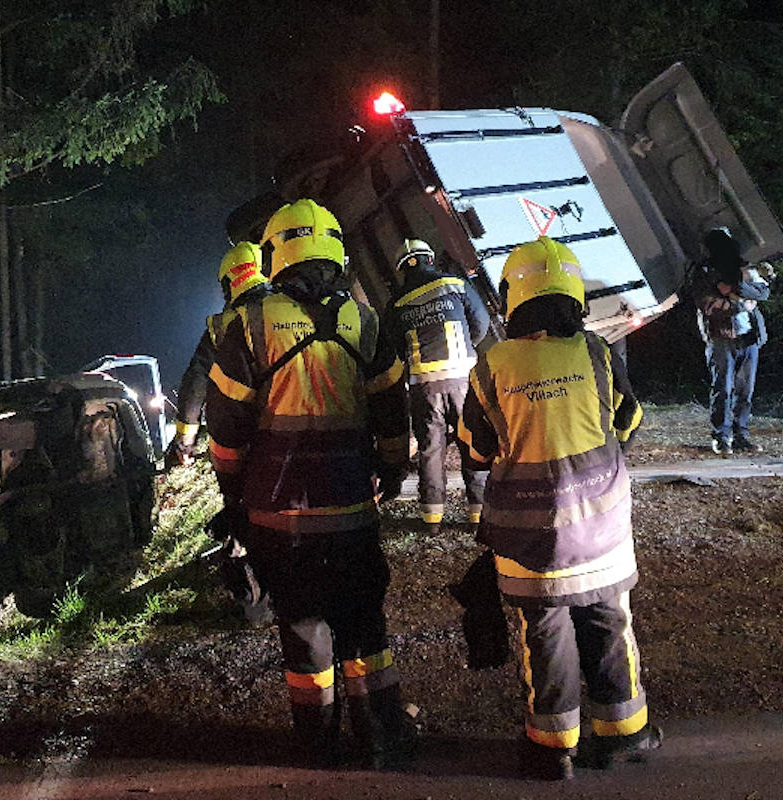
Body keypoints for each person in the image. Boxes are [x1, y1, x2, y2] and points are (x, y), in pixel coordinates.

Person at [205, 198, 415, 768]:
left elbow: (226, 431)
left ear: (276, 255)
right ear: (334, 249)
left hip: (280, 514)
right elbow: (394, 413)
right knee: (364, 620)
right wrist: (391, 469)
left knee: (303, 626)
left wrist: (234, 496)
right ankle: (380, 736)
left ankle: (317, 742)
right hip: (352, 504)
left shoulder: (249, 326)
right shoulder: (365, 322)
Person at [457, 237, 661, 781]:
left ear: (512, 298)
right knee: (610, 623)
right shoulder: (597, 353)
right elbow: (628, 423)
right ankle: (626, 733)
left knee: (544, 634)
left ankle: (552, 750)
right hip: (602, 529)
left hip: (530, 540)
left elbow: (475, 449)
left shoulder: (493, 364)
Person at [382, 238, 489, 531]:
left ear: (403, 268)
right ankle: (479, 514)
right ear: (430, 258)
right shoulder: (454, 285)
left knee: (430, 448)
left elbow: (393, 347)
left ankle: (432, 517)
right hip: (462, 381)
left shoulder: (397, 303)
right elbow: (480, 322)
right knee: (471, 442)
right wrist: (467, 348)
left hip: (424, 387)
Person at [164, 242, 272, 468]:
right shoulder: (298, 309)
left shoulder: (221, 328)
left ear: (228, 283)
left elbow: (196, 382)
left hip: (252, 438)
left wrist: (184, 442)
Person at [693, 228, 771, 455]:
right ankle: (721, 435)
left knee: (745, 391)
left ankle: (741, 435)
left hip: (748, 338)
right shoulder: (705, 272)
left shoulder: (744, 268)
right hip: (720, 338)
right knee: (723, 389)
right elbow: (708, 306)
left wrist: (736, 290)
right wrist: (741, 303)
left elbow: (763, 292)